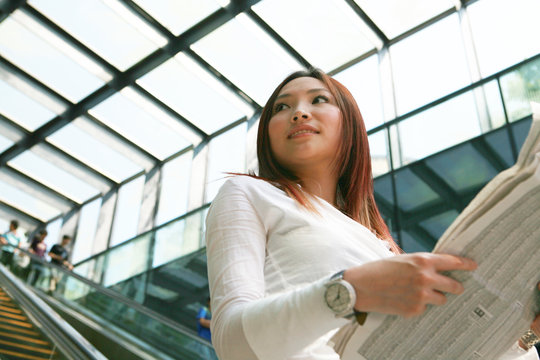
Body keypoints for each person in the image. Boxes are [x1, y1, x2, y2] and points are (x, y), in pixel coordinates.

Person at [205, 69, 540, 360]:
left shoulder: (382, 245)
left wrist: (526, 335)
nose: (299, 113)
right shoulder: (248, 193)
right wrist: (349, 291)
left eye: (319, 100)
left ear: (350, 124)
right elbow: (231, 342)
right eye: (282, 106)